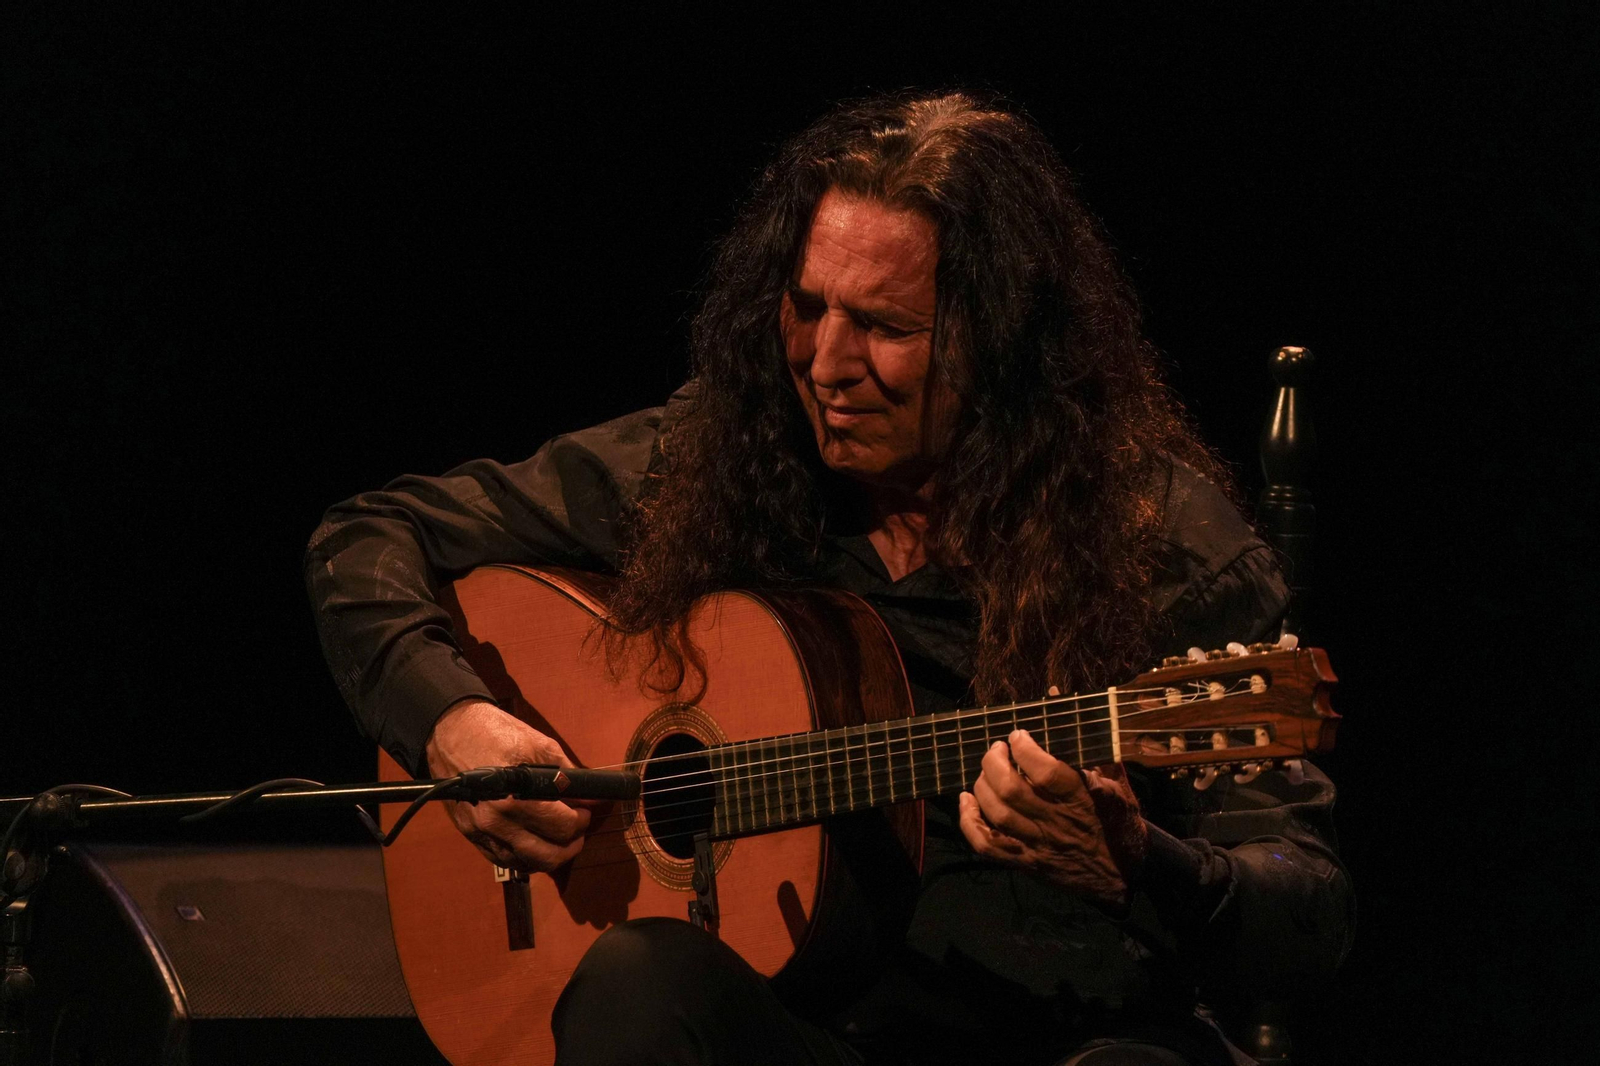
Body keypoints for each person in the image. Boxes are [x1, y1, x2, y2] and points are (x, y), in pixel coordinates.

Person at [305, 91, 1352, 1066]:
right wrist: (452, 718)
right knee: (638, 977)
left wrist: (1138, 863)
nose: (824, 361)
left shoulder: (1155, 537)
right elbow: (369, 538)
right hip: (809, 1034)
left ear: (1003, 341)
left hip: (1058, 1037)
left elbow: (1303, 914)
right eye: (807, 306)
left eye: (885, 328)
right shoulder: (727, 461)